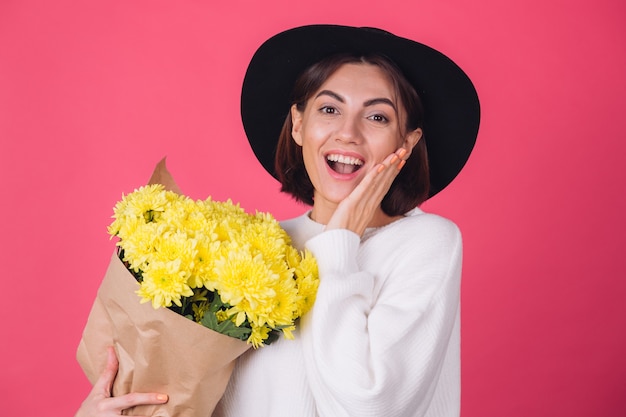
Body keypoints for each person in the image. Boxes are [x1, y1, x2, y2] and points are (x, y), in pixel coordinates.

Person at [76, 24, 480, 417]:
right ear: (299, 124)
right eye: (328, 109)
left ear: (406, 143)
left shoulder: (426, 242)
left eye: (377, 118)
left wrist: (341, 241)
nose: (348, 133)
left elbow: (369, 406)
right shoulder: (258, 251)